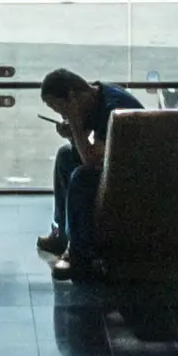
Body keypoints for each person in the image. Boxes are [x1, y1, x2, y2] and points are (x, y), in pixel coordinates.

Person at [36, 67, 138, 279]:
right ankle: (61, 233)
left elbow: (91, 160)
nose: (61, 114)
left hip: (135, 170)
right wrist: (74, 135)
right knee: (65, 157)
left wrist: (74, 123)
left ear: (72, 97)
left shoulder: (112, 109)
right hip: (118, 164)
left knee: (81, 177)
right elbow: (92, 153)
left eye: (59, 107)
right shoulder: (94, 100)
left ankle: (79, 254)